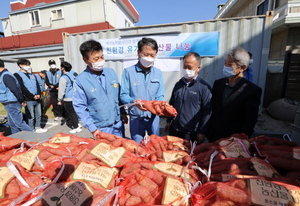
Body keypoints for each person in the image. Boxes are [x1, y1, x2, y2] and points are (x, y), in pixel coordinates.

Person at [73, 39, 127, 139]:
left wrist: (123, 112)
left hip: (117, 123)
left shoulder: (111, 72)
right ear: (85, 60)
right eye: (96, 59)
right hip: (101, 127)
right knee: (106, 153)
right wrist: (93, 129)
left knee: (121, 151)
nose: (100, 61)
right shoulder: (80, 80)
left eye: (102, 57)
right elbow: (80, 107)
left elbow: (118, 95)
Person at [207, 47, 262, 142]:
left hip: (233, 139)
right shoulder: (218, 84)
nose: (226, 66)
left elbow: (250, 120)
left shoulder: (252, 90)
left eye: (230, 64)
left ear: (242, 67)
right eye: (225, 63)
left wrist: (242, 139)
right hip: (214, 135)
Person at [120, 37, 164, 143]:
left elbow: (160, 95)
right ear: (138, 53)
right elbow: (123, 95)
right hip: (136, 118)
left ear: (156, 55)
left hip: (153, 117)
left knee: (155, 146)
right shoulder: (128, 72)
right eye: (145, 54)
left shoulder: (158, 73)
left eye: (152, 55)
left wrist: (157, 106)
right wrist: (133, 102)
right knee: (137, 147)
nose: (149, 58)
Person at [164, 52, 212, 144]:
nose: (186, 70)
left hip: (191, 133)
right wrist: (168, 121)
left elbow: (207, 112)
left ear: (198, 68)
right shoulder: (178, 84)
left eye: (189, 67)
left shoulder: (204, 88)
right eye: (184, 67)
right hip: (175, 130)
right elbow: (172, 104)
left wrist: (202, 132)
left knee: (189, 157)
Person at [14, 59, 47, 133]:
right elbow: (22, 87)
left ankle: (38, 127)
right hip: (28, 98)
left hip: (37, 97)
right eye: (26, 65)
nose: (28, 66)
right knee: (30, 116)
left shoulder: (32, 75)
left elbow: (37, 85)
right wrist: (32, 96)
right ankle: (31, 129)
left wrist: (39, 94)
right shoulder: (17, 75)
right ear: (20, 65)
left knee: (39, 114)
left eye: (28, 65)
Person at [0, 59, 33, 134]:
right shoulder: (3, 75)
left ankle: (36, 139)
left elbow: (15, 89)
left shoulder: (6, 76)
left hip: (12, 103)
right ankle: (17, 139)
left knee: (19, 123)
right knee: (13, 124)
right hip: (9, 103)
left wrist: (21, 100)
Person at [57, 61, 82, 134]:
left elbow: (61, 90)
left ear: (63, 68)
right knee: (75, 111)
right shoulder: (74, 73)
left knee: (71, 112)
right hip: (76, 96)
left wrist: (59, 99)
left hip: (68, 97)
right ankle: (77, 124)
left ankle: (76, 127)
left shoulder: (63, 78)